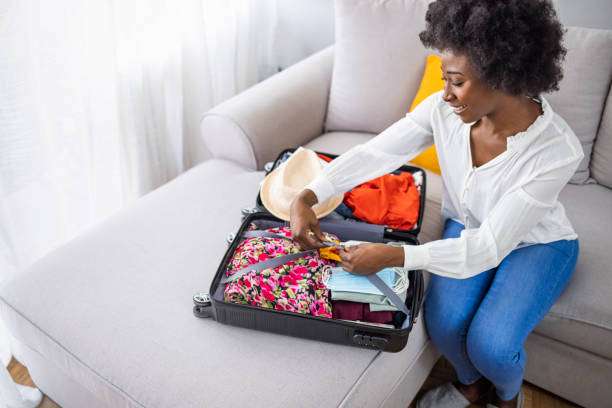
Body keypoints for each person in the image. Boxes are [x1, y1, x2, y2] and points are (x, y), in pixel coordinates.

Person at [289, 1, 581, 407]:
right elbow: (378, 154)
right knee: (444, 325)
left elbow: (490, 247)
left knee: (492, 345)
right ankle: (469, 384)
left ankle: (507, 398)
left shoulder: (557, 151)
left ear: (502, 76)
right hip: (469, 224)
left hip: (537, 243)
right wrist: (309, 194)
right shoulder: (443, 111)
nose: (445, 94)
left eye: (456, 82)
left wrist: (393, 256)